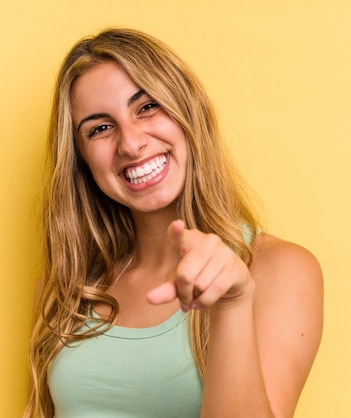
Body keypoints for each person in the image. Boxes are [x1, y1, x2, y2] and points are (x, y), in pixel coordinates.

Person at [24, 27, 323, 418]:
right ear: (81, 160)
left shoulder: (280, 269)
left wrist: (232, 304)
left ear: (188, 112)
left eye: (147, 107)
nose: (130, 143)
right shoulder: (67, 285)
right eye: (99, 128)